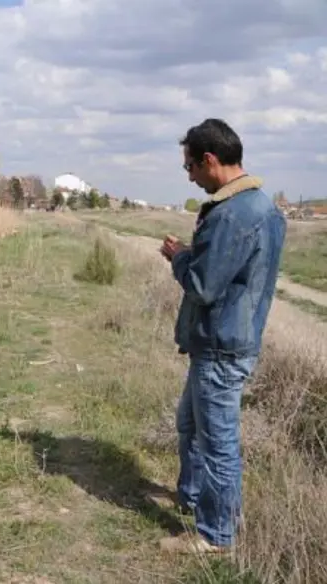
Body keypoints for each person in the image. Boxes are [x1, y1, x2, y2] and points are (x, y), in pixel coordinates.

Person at [158, 118, 286, 554]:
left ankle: (215, 535)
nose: (190, 177)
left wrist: (179, 257)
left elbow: (202, 286)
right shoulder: (262, 206)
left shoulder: (232, 214)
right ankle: (193, 499)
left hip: (220, 346)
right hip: (225, 340)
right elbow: (230, 275)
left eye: (190, 167)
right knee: (190, 426)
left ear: (210, 160)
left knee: (217, 444)